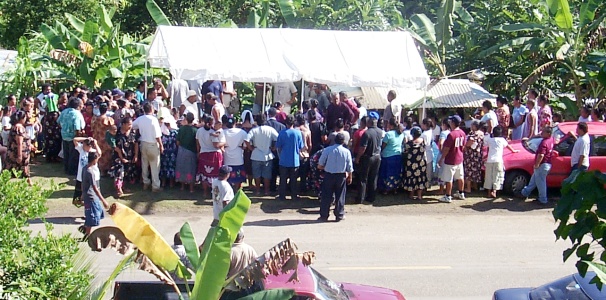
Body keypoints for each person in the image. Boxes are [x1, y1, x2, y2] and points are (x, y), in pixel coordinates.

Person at [318, 133, 353, 222]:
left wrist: (325, 167)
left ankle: (324, 215)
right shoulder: (346, 152)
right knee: (340, 195)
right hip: (341, 176)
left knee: (326, 196)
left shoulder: (327, 150)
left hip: (329, 175)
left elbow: (320, 164)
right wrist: (350, 177)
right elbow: (349, 167)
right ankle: (339, 214)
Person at [133, 103, 164, 192]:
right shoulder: (153, 120)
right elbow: (157, 135)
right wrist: (161, 145)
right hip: (152, 144)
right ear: (151, 109)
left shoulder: (140, 119)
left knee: (144, 164)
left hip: (143, 143)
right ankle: (155, 186)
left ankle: (145, 182)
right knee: (155, 166)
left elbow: (133, 126)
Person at [519, 126, 554, 204]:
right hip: (547, 163)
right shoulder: (551, 140)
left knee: (541, 182)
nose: (542, 133)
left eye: (544, 132)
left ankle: (543, 199)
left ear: (548, 134)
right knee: (534, 180)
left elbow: (541, 155)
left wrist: (537, 164)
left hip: (542, 164)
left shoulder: (544, 142)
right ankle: (525, 192)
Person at [246, 114, 279, 196]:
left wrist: (250, 148)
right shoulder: (270, 129)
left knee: (256, 174)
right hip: (267, 154)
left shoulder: (254, 130)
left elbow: (246, 140)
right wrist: (274, 148)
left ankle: (257, 190)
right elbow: (278, 139)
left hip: (256, 154)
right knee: (267, 175)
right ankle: (266, 191)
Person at [483, 126, 519, 198]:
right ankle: (494, 191)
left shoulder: (490, 140)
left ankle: (488, 192)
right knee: (497, 176)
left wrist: (486, 156)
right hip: (498, 160)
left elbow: (487, 147)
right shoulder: (502, 140)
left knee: (489, 176)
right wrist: (514, 151)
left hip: (490, 160)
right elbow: (508, 146)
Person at [438, 115, 467, 203]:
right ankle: (461, 193)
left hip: (451, 159)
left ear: (453, 123)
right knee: (460, 176)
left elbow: (446, 148)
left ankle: (448, 195)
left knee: (448, 178)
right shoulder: (462, 133)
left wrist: (442, 158)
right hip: (459, 157)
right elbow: (464, 146)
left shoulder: (451, 134)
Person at [355, 112, 383, 204]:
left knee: (363, 179)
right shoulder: (380, 131)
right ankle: (371, 197)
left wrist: (358, 157)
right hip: (377, 156)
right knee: (373, 177)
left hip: (368, 157)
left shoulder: (366, 133)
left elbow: (363, 147)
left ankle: (360, 198)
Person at [276, 115, 305, 201]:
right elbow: (301, 146)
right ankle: (294, 195)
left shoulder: (282, 133)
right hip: (295, 160)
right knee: (294, 179)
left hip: (284, 159)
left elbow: (278, 146)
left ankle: (282, 195)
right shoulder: (298, 133)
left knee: (283, 179)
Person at [80, 152, 109, 236]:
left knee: (99, 211)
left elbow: (82, 183)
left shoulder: (84, 168)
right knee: (93, 215)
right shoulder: (90, 172)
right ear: (94, 160)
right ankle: (87, 234)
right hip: (91, 197)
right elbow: (95, 188)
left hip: (88, 195)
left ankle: (85, 228)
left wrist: (82, 193)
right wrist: (103, 200)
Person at [109, 117, 139, 197]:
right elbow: (112, 143)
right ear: (123, 124)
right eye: (129, 124)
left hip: (129, 156)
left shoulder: (133, 132)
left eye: (131, 124)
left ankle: (123, 186)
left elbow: (136, 144)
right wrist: (121, 157)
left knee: (126, 172)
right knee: (119, 171)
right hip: (118, 156)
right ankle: (118, 189)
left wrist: (136, 155)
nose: (130, 126)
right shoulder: (117, 132)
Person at [196, 115, 225, 196]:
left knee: (204, 174)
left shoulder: (199, 131)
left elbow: (197, 142)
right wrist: (224, 143)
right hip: (214, 154)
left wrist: (198, 151)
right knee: (216, 175)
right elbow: (216, 144)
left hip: (203, 153)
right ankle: (215, 192)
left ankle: (205, 192)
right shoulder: (213, 132)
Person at [5, 111, 33, 185]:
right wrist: (19, 155)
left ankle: (29, 183)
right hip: (17, 153)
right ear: (21, 118)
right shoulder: (19, 128)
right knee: (9, 169)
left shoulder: (17, 126)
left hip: (20, 152)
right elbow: (19, 142)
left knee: (25, 169)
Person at [378, 118, 404, 194]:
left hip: (388, 156)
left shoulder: (388, 134)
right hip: (398, 155)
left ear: (390, 125)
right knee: (396, 172)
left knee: (386, 173)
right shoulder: (401, 134)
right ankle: (395, 188)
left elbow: (383, 146)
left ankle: (386, 189)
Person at [223, 116, 249, 191]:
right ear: (235, 123)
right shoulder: (242, 132)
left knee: (227, 173)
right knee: (238, 174)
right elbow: (245, 145)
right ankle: (238, 189)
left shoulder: (223, 132)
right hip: (238, 155)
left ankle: (228, 189)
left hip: (227, 154)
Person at [402, 127, 428, 200]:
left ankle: (411, 195)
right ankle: (419, 196)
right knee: (420, 178)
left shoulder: (409, 143)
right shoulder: (423, 141)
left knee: (411, 178)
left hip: (411, 163)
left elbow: (405, 150)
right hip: (421, 163)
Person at [175, 113, 198, 193]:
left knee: (181, 167)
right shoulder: (195, 130)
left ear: (186, 119)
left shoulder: (181, 129)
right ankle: (191, 188)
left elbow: (177, 141)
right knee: (191, 168)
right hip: (192, 151)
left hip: (182, 150)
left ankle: (182, 186)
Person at [91, 103, 115, 175]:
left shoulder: (94, 119)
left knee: (98, 154)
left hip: (96, 139)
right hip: (105, 140)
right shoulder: (108, 120)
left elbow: (92, 128)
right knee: (106, 155)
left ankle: (99, 170)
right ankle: (104, 171)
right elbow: (113, 128)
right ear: (107, 110)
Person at [463, 120, 484, 193]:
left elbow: (470, 142)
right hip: (478, 155)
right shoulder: (482, 133)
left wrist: (465, 146)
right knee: (476, 170)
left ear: (474, 126)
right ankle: (474, 186)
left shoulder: (473, 134)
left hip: (471, 155)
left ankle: (468, 188)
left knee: (469, 171)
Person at [160, 113, 179, 188]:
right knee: (171, 167)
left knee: (164, 166)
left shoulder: (162, 132)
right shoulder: (175, 133)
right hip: (172, 152)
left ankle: (164, 183)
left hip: (164, 152)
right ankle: (171, 183)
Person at [296, 114, 312, 193]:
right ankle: (303, 189)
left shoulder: (295, 130)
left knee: (293, 174)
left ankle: (292, 188)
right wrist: (308, 152)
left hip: (296, 154)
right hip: (304, 154)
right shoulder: (307, 131)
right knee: (303, 175)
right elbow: (310, 144)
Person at [436, 118, 450, 194]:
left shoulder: (443, 133)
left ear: (444, 125)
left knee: (441, 172)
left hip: (442, 154)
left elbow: (441, 143)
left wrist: (441, 152)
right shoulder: (450, 132)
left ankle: (441, 189)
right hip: (448, 154)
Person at [421, 118, 435, 186]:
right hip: (430, 152)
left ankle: (426, 184)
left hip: (425, 153)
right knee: (429, 170)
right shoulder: (431, 131)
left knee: (426, 171)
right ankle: (429, 183)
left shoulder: (424, 134)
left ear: (425, 125)